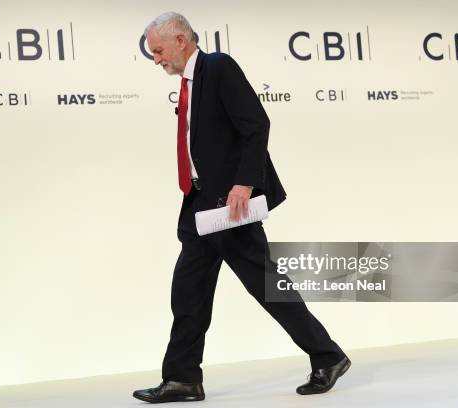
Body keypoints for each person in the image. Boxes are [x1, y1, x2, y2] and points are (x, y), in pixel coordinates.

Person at [133, 12, 350, 404]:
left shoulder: (217, 66)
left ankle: (328, 356)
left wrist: (244, 185)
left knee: (267, 288)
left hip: (229, 205)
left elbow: (256, 124)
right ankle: (182, 379)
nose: (157, 59)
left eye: (159, 50)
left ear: (181, 40)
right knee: (188, 293)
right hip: (199, 204)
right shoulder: (189, 83)